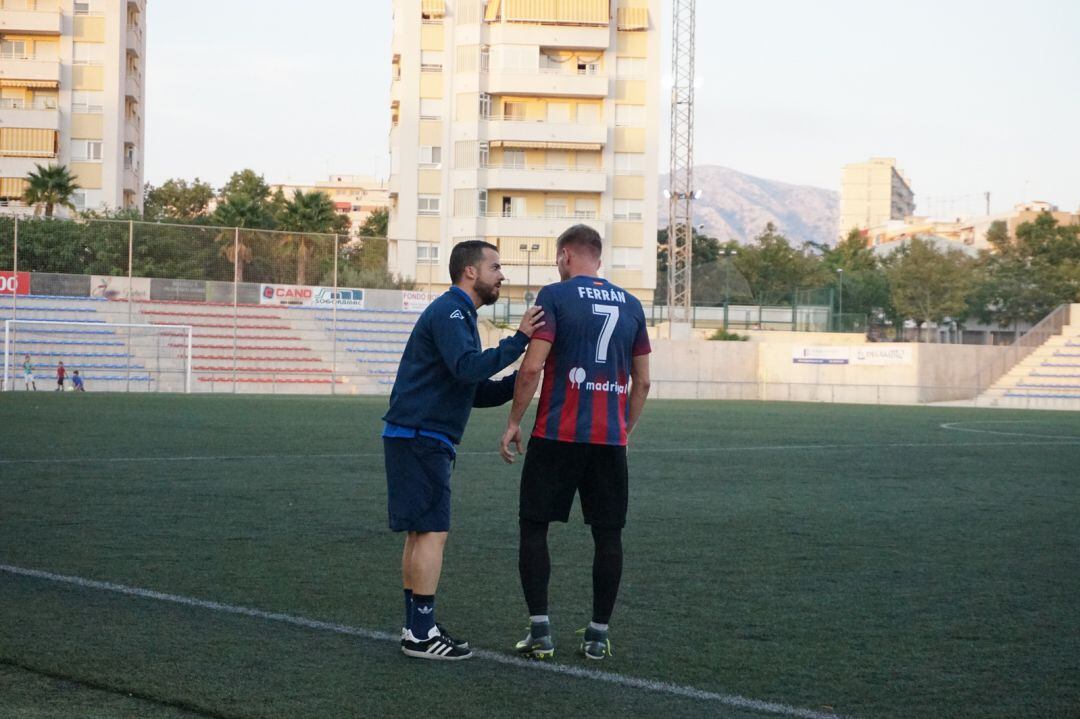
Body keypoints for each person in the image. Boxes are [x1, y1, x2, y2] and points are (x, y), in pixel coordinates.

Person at [384, 240, 545, 661]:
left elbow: (473, 390)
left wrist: (524, 381)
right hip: (422, 437)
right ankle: (420, 635)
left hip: (415, 435)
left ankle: (417, 627)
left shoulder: (458, 315)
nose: (502, 275)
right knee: (433, 532)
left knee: (421, 532)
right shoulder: (453, 311)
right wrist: (519, 341)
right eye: (496, 266)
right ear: (470, 272)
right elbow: (468, 369)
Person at [500, 224, 651, 661]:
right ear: (597, 258)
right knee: (608, 535)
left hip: (556, 434)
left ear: (566, 255)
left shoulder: (554, 295)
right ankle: (597, 636)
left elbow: (532, 369)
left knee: (534, 526)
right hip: (608, 440)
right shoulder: (632, 304)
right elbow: (642, 382)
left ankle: (541, 632)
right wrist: (626, 430)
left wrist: (513, 421)